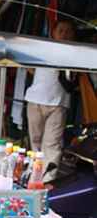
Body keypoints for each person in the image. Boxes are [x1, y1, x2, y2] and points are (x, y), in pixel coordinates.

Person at [25, 20, 78, 182]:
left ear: (73, 35)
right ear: (53, 33)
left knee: (52, 144)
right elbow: (28, 66)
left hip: (58, 104)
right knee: (35, 141)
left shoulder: (75, 53)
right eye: (60, 30)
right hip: (35, 100)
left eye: (68, 31)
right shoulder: (42, 48)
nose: (64, 34)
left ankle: (48, 181)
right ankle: (33, 177)